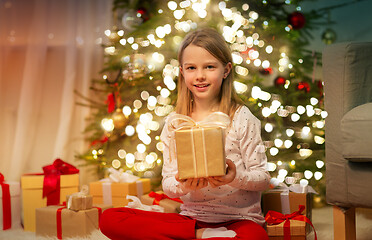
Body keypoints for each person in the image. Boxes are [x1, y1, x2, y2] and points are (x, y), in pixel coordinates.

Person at [99, 28, 271, 240]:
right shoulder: (175, 122)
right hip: (192, 220)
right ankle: (202, 235)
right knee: (110, 218)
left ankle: (195, 236)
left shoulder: (241, 117)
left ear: (226, 70)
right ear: (182, 71)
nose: (200, 76)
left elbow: (263, 178)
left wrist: (235, 177)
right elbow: (169, 185)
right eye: (191, 68)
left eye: (209, 67)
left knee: (256, 238)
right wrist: (183, 185)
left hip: (240, 220)